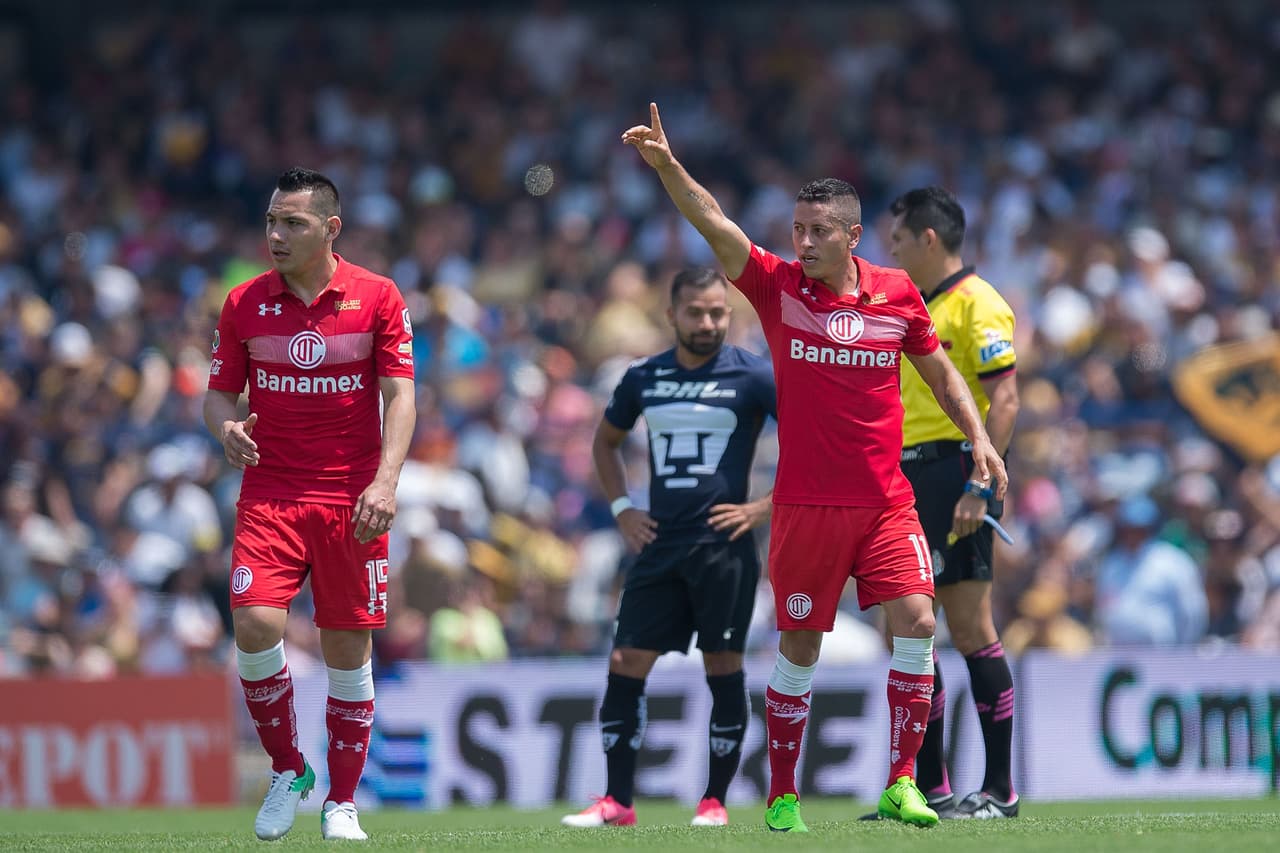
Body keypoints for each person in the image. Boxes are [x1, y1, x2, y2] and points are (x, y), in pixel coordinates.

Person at [622, 104, 1008, 832]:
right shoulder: (777, 288)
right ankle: (783, 793)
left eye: (817, 231)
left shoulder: (896, 294)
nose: (802, 242)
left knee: (919, 621)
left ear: (853, 236)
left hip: (886, 500)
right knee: (800, 646)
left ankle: (901, 779)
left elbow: (943, 376)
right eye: (797, 229)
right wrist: (668, 166)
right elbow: (714, 223)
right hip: (805, 506)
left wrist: (980, 441)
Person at [204, 167, 417, 842]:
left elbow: (402, 396)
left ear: (331, 228)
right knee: (256, 626)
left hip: (350, 497)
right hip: (270, 491)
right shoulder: (243, 303)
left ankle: (342, 801)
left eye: (291, 223)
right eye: (270, 221)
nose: (275, 235)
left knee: (345, 649)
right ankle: (289, 767)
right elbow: (217, 394)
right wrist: (225, 427)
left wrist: (385, 482)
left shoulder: (377, 296)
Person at [562, 266, 776, 828]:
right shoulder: (644, 376)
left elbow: (813, 446)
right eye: (696, 312)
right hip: (659, 543)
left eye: (717, 312)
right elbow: (605, 443)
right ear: (671, 315)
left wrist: (761, 509)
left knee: (723, 665)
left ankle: (714, 802)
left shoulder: (754, 375)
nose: (707, 322)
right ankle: (617, 802)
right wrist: (622, 509)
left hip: (724, 546)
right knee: (624, 660)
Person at [885, 185, 1022, 819]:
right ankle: (929, 788)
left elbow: (1008, 400)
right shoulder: (914, 304)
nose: (891, 249)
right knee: (913, 635)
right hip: (902, 476)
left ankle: (1000, 790)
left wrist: (977, 482)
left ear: (927, 239)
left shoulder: (977, 304)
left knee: (970, 630)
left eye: (898, 238)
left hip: (950, 472)